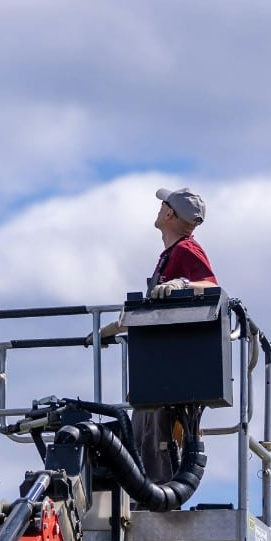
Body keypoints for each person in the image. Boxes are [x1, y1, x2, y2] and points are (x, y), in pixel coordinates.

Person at [91, 187, 219, 486]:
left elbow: (212, 287)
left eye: (163, 205)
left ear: (170, 212)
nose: (159, 209)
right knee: (142, 438)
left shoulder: (187, 250)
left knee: (155, 442)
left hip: (169, 373)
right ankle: (146, 494)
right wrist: (122, 326)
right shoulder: (171, 254)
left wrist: (183, 284)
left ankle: (157, 497)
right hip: (158, 370)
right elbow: (160, 312)